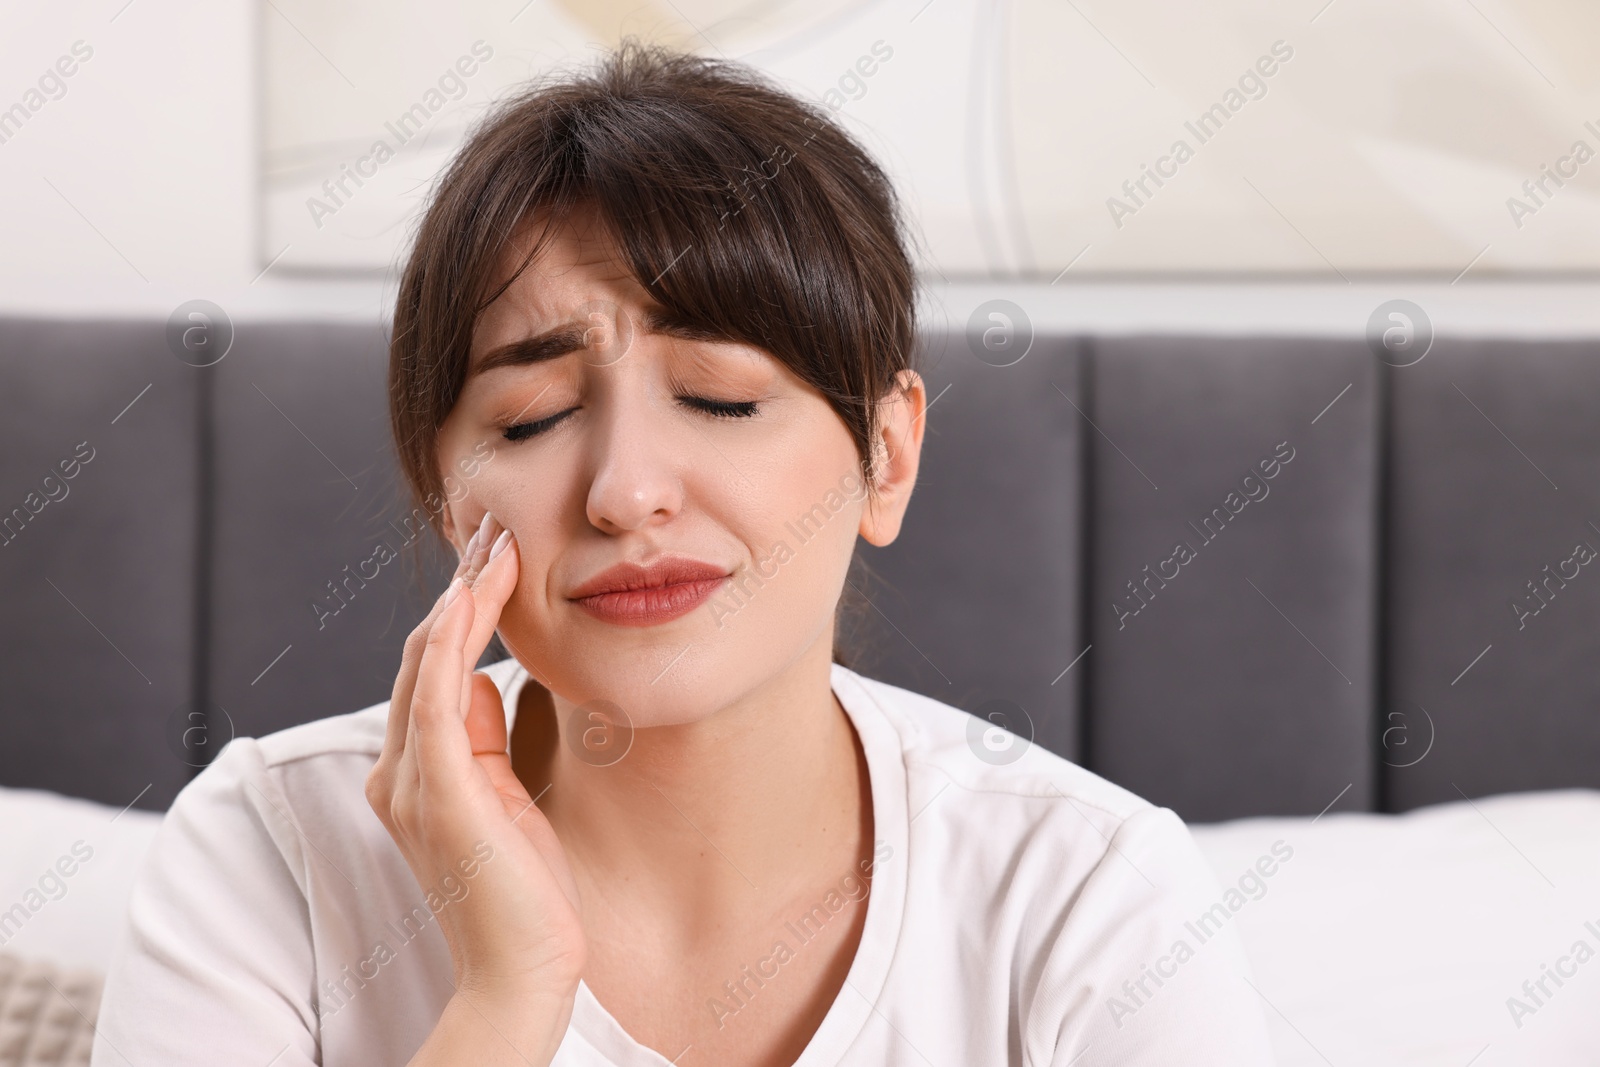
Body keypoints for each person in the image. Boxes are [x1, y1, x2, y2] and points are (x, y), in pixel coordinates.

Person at [92, 40, 1275, 1067]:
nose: (625, 491)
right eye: (532, 418)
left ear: (887, 454)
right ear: (446, 496)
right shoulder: (270, 852)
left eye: (716, 396)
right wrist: (508, 996)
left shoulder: (1088, 893)